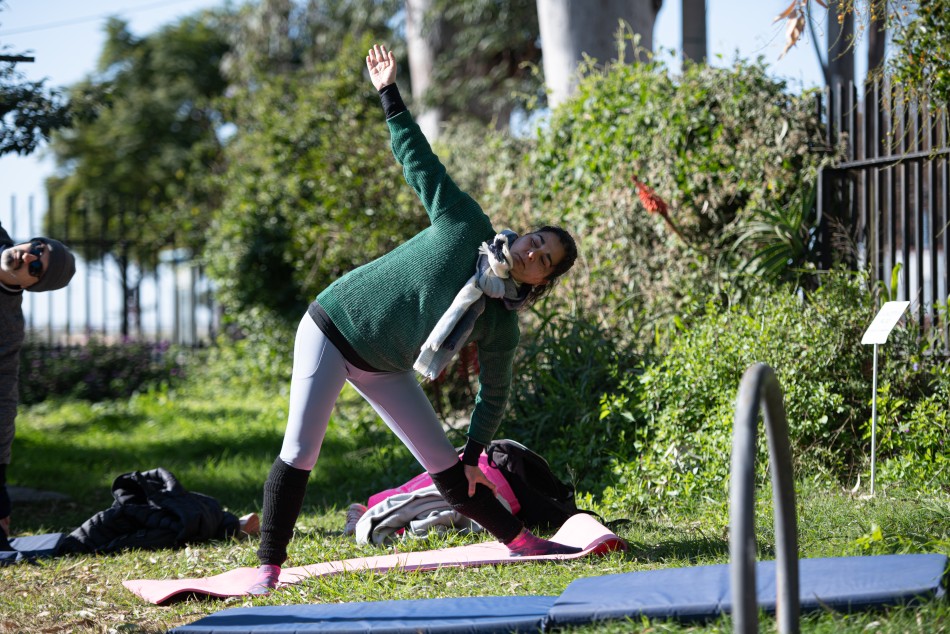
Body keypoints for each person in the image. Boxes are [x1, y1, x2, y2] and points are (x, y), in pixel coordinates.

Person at [249, 43, 580, 594]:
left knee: (449, 467)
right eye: (535, 241)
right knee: (301, 449)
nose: (532, 254)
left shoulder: (502, 323)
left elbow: (493, 395)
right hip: (335, 326)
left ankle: (520, 542)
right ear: (522, 234)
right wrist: (388, 92)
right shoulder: (464, 224)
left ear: (542, 281)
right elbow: (418, 161)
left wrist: (475, 454)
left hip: (387, 366)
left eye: (545, 261)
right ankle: (268, 566)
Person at [0, 223, 77, 550]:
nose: (28, 256)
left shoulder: (8, 325)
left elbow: (3, 396)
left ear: (32, 285)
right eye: (38, 249)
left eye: (36, 267)